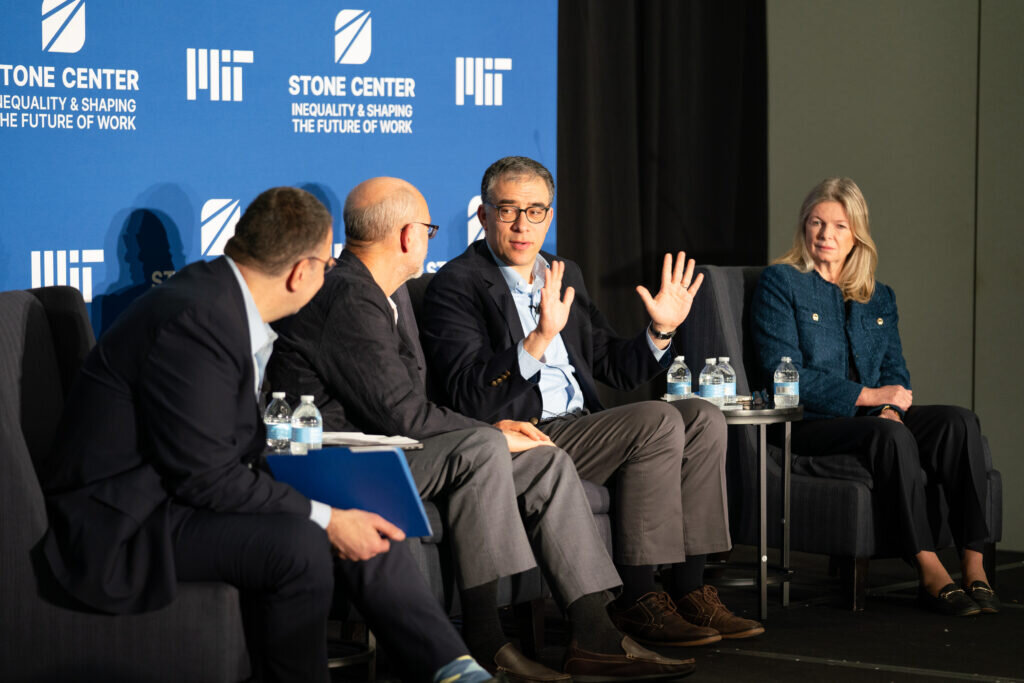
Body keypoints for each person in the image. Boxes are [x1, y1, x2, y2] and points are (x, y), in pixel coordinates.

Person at [39, 187, 498, 683]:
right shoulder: (198, 319)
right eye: (326, 264)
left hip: (179, 491)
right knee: (301, 543)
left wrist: (333, 506)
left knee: (358, 510)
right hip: (129, 520)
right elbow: (207, 478)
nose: (329, 275)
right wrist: (324, 518)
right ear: (302, 273)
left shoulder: (216, 296)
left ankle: (451, 667)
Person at [267, 176, 696, 683]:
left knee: (545, 461)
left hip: (393, 445)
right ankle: (485, 638)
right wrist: (492, 428)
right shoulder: (350, 296)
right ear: (408, 236)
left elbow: (409, 410)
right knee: (484, 446)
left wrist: (499, 433)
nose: (430, 238)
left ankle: (593, 633)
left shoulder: (390, 292)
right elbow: (403, 414)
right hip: (342, 459)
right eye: (427, 228)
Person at [419, 156, 763, 644]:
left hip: (586, 425)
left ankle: (690, 590)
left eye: (535, 211)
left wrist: (661, 330)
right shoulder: (458, 284)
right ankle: (638, 599)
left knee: (703, 416)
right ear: (484, 215)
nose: (522, 225)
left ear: (550, 216)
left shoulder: (565, 274)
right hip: (532, 433)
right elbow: (470, 394)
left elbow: (616, 366)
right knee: (659, 420)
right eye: (508, 210)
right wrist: (536, 340)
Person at [751, 177, 998, 617]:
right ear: (803, 227)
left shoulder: (878, 296)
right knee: (890, 436)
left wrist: (887, 403)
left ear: (857, 234)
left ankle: (973, 563)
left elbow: (894, 371)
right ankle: (928, 568)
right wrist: (869, 398)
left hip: (871, 414)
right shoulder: (781, 282)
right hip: (811, 422)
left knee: (959, 422)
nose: (826, 235)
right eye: (816, 223)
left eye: (839, 226)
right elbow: (782, 373)